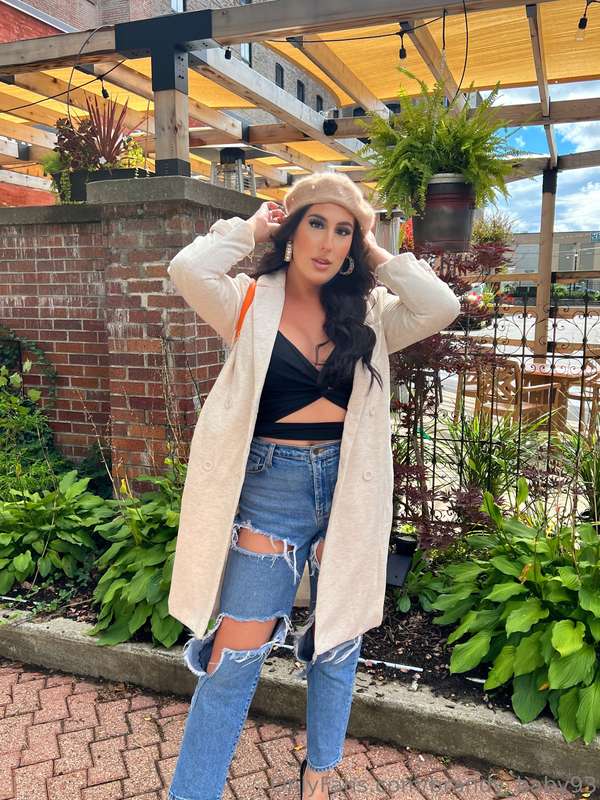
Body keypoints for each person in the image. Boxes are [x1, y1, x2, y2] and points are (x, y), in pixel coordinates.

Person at [166, 172, 461, 800]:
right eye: (316, 224)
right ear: (293, 230)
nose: (328, 242)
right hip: (270, 492)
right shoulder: (247, 301)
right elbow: (189, 269)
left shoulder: (370, 314)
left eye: (344, 230)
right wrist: (251, 229)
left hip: (349, 490)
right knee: (231, 663)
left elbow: (440, 306)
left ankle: (318, 776)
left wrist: (377, 252)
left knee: (337, 645)